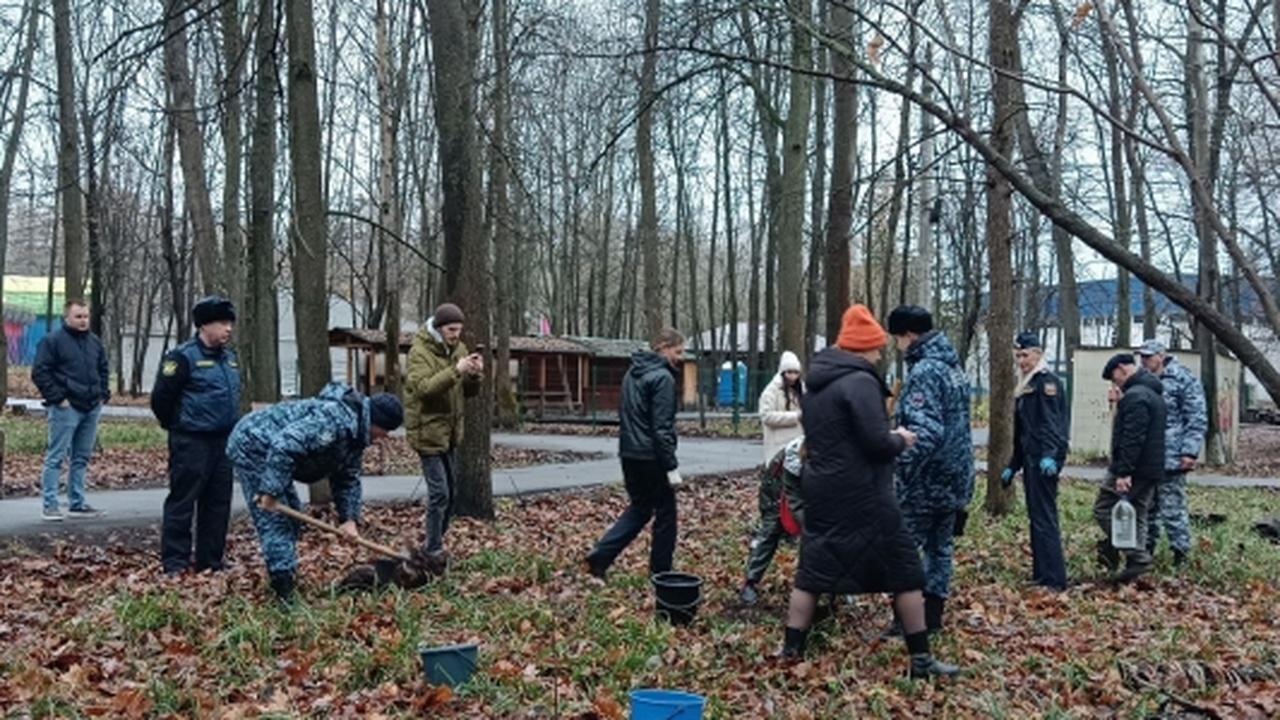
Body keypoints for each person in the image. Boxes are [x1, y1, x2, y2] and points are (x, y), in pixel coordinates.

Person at [778, 304, 958, 679]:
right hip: (863, 492)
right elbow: (875, 443)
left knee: (811, 571)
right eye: (875, 348)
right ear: (862, 347)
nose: (879, 354)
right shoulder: (860, 382)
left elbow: (830, 435)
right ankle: (921, 660)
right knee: (906, 570)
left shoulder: (816, 383)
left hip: (821, 487)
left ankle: (791, 653)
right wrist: (901, 439)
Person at [227, 382, 404, 602]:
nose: (384, 436)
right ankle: (284, 595)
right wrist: (270, 491)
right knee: (277, 521)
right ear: (375, 421)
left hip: (277, 454)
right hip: (253, 444)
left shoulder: (355, 435)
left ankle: (286, 574)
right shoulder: (333, 421)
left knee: (292, 517)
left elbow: (347, 479)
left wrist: (349, 519)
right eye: (385, 430)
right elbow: (285, 445)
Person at [888, 305, 973, 632]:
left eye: (897, 338)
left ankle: (905, 622)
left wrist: (897, 461)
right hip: (954, 477)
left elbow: (926, 432)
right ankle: (932, 617)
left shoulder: (924, 371)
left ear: (908, 335)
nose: (897, 345)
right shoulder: (953, 368)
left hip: (925, 480)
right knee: (940, 549)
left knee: (904, 550)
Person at [150, 296, 241, 574]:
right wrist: (178, 425)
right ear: (204, 325)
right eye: (222, 323)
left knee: (218, 503)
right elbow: (161, 399)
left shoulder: (229, 359)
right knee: (183, 500)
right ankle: (175, 562)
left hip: (223, 442)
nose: (228, 329)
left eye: (230, 323)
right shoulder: (182, 357)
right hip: (191, 441)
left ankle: (210, 560)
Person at [584, 328, 685, 580]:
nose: (680, 357)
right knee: (666, 515)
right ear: (663, 347)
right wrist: (671, 466)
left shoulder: (632, 372)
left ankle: (601, 554)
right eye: (678, 351)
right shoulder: (663, 378)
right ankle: (661, 573)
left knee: (640, 508)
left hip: (629, 452)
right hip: (652, 456)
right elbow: (661, 427)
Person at [404, 302, 483, 566]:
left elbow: (468, 392)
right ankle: (433, 549)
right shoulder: (419, 352)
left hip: (449, 433)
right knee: (440, 493)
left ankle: (433, 542)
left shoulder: (459, 349)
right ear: (438, 328)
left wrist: (474, 376)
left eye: (459, 330)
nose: (456, 335)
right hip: (427, 432)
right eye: (451, 330)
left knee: (452, 493)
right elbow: (424, 390)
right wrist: (455, 371)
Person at [1000, 332, 1069, 591]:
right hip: (1031, 458)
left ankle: (1054, 579)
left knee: (1045, 518)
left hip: (1044, 460)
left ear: (1038, 354)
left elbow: (1051, 424)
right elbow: (1023, 431)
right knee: (1036, 517)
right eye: (1018, 356)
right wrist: (1013, 464)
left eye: (1026, 355)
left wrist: (1050, 455)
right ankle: (1041, 574)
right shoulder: (1025, 383)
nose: (1021, 361)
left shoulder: (1046, 382)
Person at [32, 299, 110, 521]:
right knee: (56, 457)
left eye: (85, 316)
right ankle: (50, 505)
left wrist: (103, 394)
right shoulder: (52, 341)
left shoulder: (94, 342)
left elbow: (103, 368)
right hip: (66, 407)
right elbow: (40, 372)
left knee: (81, 458)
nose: (83, 320)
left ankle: (77, 502)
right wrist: (58, 398)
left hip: (91, 406)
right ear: (66, 317)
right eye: (78, 316)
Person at [1095, 353, 1166, 581]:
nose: (1114, 384)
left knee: (1103, 509)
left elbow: (1132, 438)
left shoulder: (1135, 397)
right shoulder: (1153, 393)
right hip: (1152, 468)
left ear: (1122, 369)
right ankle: (1135, 568)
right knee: (1139, 513)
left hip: (1133, 468)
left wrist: (1124, 471)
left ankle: (1137, 556)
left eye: (1114, 378)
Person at [1135, 339, 1207, 566]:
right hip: (1146, 455)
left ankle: (1180, 553)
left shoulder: (1182, 378)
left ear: (1162, 355)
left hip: (1172, 455)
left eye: (1148, 357)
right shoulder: (1141, 379)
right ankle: (1145, 551)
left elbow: (1196, 417)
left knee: (1172, 507)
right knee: (1147, 507)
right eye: (1142, 357)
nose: (1144, 361)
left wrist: (1190, 452)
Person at [738, 434, 805, 605]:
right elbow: (794, 498)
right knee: (771, 528)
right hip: (779, 483)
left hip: (813, 480)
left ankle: (834, 588)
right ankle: (750, 581)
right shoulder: (796, 454)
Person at [758, 351, 804, 463]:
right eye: (789, 372)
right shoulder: (771, 391)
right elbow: (766, 416)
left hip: (798, 443)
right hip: (779, 445)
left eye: (796, 373)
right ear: (783, 372)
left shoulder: (801, 390)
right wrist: (795, 416)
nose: (793, 376)